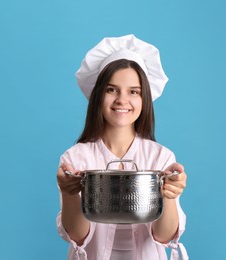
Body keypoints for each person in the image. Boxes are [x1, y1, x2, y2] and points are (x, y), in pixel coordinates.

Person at [56, 34, 188, 260]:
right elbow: (77, 236)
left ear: (144, 98)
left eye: (133, 91)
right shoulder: (76, 159)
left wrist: (168, 195)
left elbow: (164, 237)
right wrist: (70, 195)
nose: (122, 100)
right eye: (111, 89)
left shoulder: (161, 157)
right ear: (98, 95)